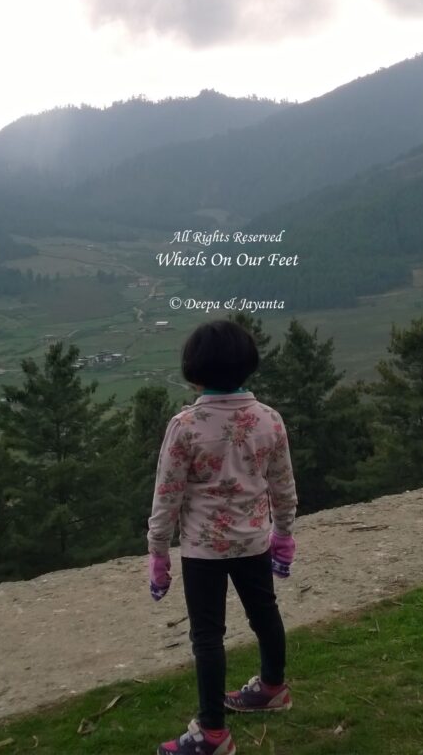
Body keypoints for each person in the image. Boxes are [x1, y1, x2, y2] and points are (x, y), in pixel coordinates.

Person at [148, 319, 298, 755]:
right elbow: (283, 485)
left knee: (208, 636)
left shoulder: (186, 425)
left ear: (194, 370)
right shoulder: (269, 419)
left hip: (203, 550)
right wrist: (283, 534)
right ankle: (273, 687)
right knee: (265, 613)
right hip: (255, 541)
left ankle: (212, 733)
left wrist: (158, 552)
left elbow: (167, 495)